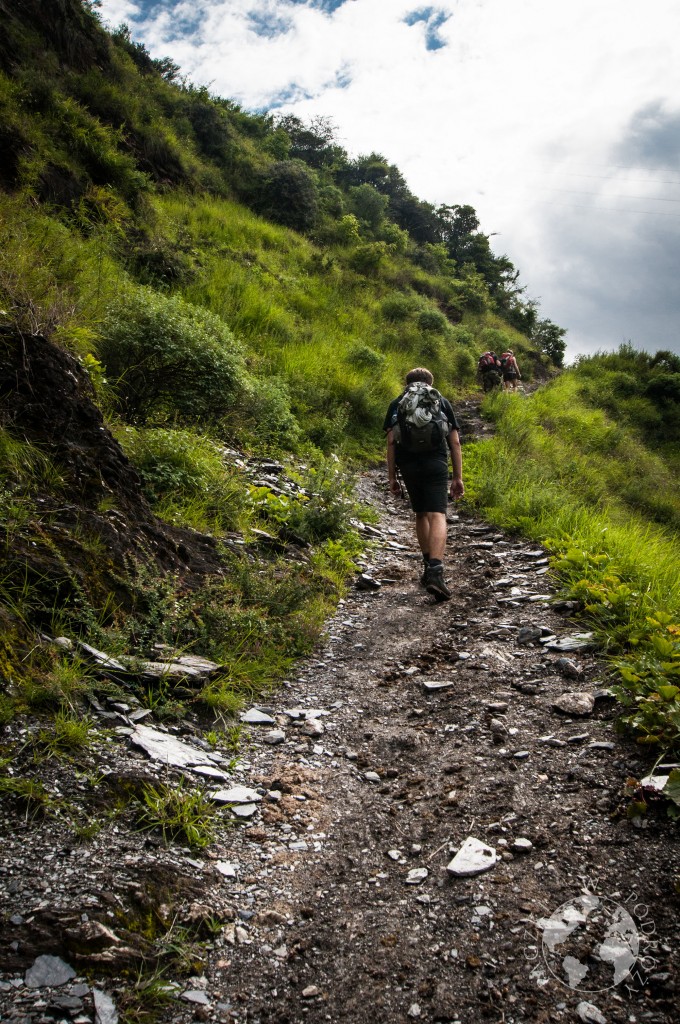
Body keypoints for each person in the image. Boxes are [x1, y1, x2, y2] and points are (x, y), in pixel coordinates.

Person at [384, 367, 464, 601]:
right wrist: (458, 477)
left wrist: (392, 477)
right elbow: (455, 442)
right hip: (435, 463)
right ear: (431, 382)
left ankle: (427, 565)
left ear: (406, 383)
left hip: (408, 465)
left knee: (420, 514)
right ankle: (436, 572)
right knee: (437, 514)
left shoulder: (397, 403)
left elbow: (391, 442)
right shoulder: (440, 400)